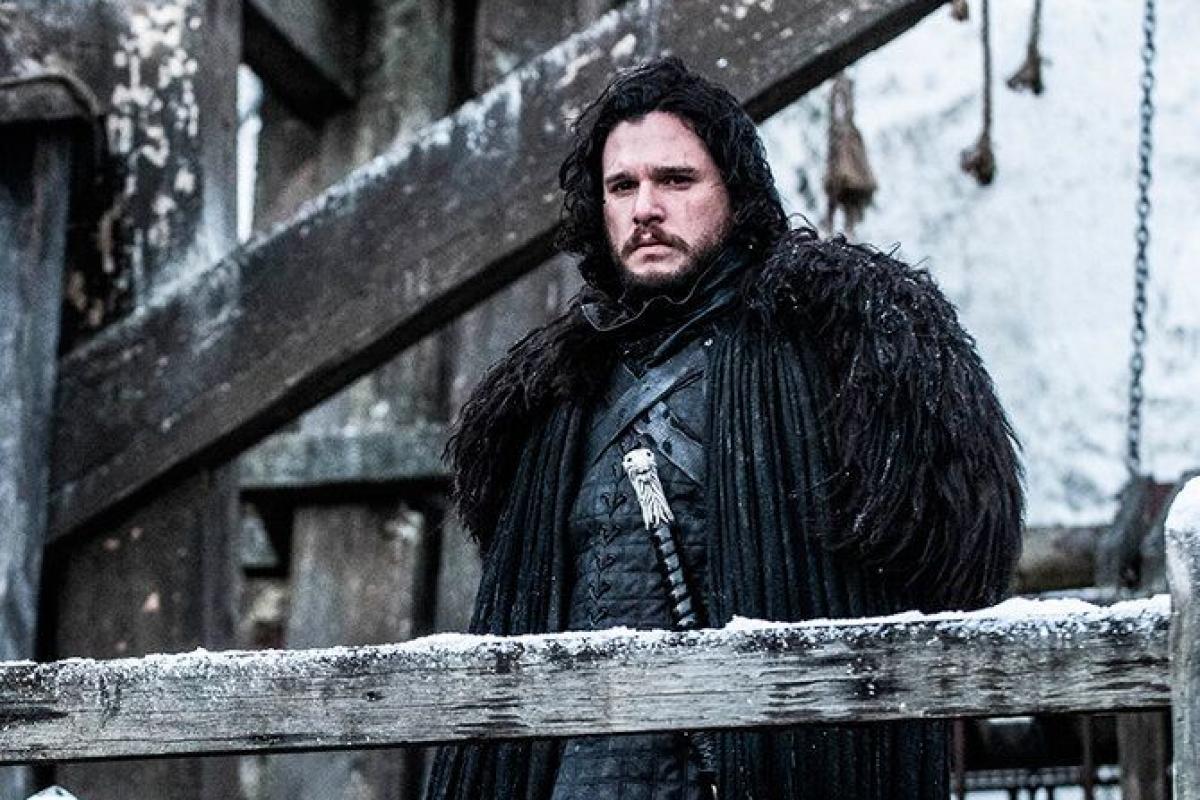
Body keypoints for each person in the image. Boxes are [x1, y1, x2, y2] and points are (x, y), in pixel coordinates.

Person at [423, 57, 1023, 800]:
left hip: (780, 769)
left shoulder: (835, 342)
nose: (646, 208)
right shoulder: (549, 398)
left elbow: (956, 552)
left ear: (734, 192)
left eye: (676, 180)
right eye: (622, 186)